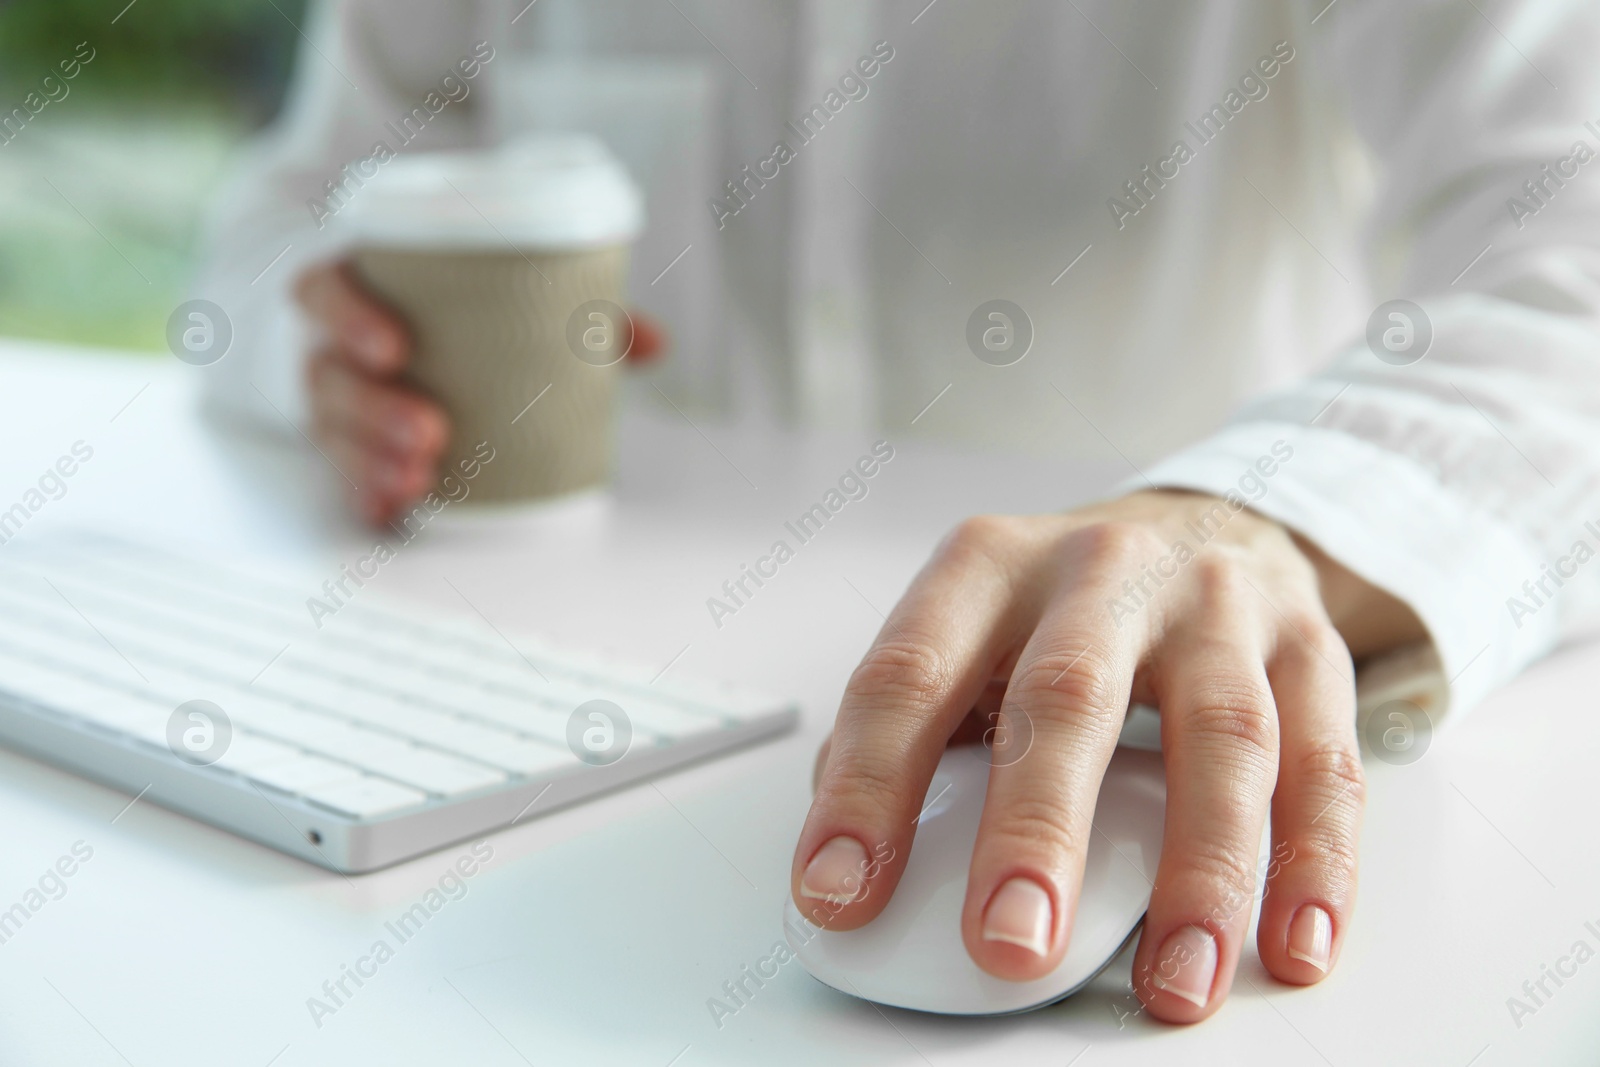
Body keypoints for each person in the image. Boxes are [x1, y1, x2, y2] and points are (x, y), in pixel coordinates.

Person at [195, 0, 1600, 1023]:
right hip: (544, 696)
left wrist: (1266, 510)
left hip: (1184, 668)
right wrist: (323, 334)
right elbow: (266, 227)